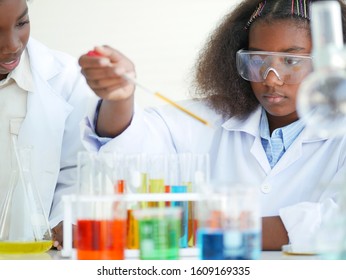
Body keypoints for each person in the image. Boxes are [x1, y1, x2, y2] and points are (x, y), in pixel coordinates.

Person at [79, 0, 346, 251]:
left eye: (291, 61)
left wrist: (211, 226)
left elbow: (337, 223)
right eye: (257, 60)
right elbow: (133, 145)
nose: (271, 79)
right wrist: (120, 97)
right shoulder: (213, 117)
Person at [0, 0, 94, 250]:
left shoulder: (66, 79)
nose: (12, 45)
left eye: (21, 23)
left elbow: (77, 168)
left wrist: (63, 219)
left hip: (33, 257)